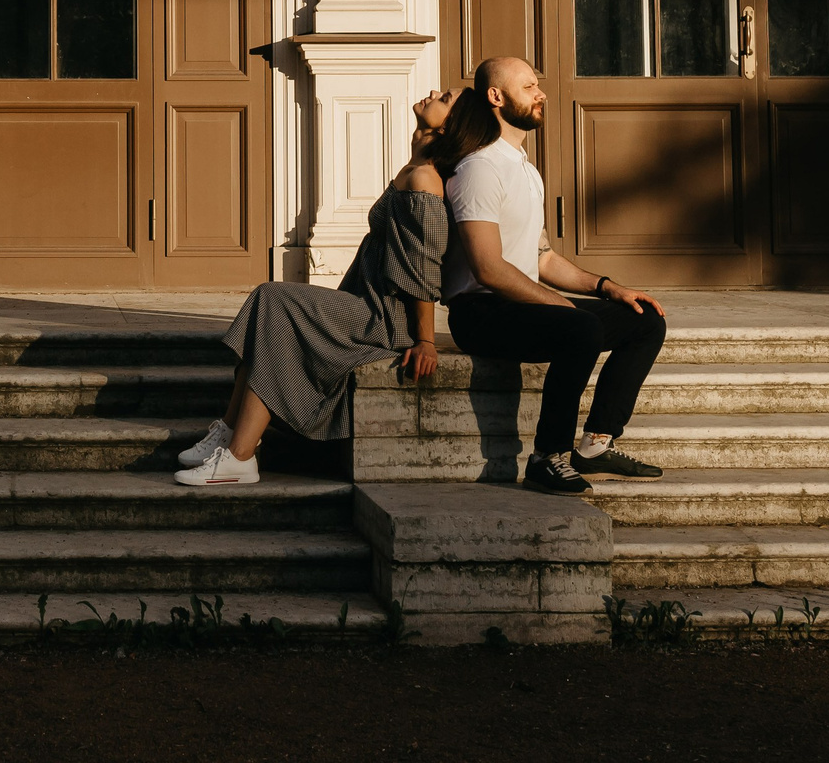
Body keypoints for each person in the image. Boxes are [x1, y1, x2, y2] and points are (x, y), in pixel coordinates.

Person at [176, 90, 459, 487]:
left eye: (445, 97)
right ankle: (228, 430)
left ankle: (240, 456)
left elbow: (425, 266)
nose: (434, 92)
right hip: (366, 300)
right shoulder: (417, 168)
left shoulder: (426, 181)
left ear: (447, 126)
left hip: (383, 318)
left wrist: (425, 339)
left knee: (275, 299)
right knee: (267, 301)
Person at [437, 56, 669, 496]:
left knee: (644, 319)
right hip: (480, 313)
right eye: (528, 87)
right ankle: (547, 458)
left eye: (538, 85)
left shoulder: (524, 169)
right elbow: (488, 268)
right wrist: (558, 304)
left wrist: (608, 287)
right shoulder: (478, 169)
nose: (541, 93)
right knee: (578, 327)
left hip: (521, 305)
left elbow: (542, 257)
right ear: (496, 97)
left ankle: (597, 445)